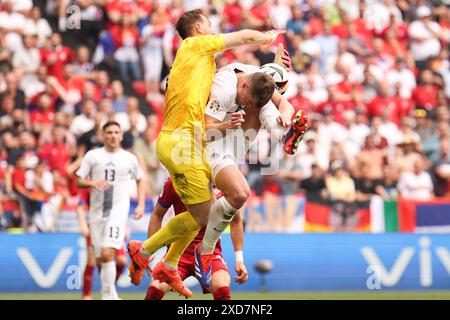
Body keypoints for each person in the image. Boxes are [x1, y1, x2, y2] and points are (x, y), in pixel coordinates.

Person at [127, 9, 285, 298]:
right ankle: (145, 250)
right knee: (203, 215)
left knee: (206, 211)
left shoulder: (198, 64)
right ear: (199, 28)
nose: (213, 30)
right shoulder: (194, 45)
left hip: (191, 141)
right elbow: (241, 37)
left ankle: (169, 264)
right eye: (210, 25)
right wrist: (265, 37)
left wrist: (275, 81)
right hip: (180, 142)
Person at [144, 177, 248, 300]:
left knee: (221, 286)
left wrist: (239, 259)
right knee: (156, 288)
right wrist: (150, 251)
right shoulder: (176, 181)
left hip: (210, 253)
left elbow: (236, 221)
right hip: (177, 253)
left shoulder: (224, 181)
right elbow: (157, 214)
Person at [76, 121, 146, 300]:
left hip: (117, 213)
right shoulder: (93, 156)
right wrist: (93, 183)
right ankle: (109, 292)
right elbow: (79, 181)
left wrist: (140, 204)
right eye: (109, 132)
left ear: (121, 136)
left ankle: (109, 296)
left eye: (116, 132)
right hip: (97, 215)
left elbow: (140, 179)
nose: (113, 135)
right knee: (100, 259)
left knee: (108, 253)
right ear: (102, 135)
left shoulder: (129, 158)